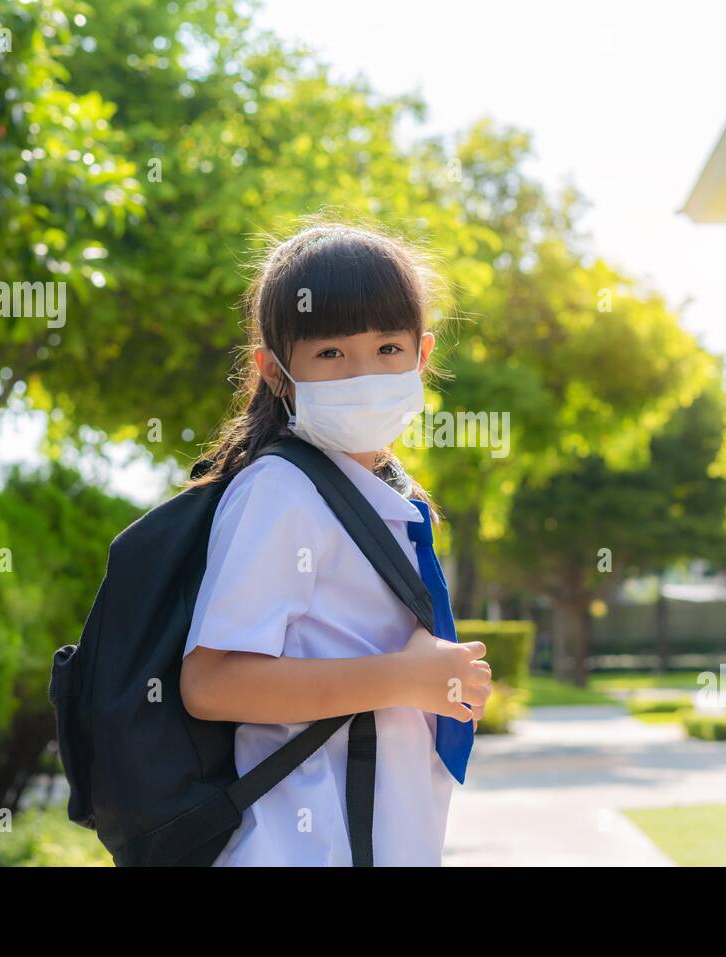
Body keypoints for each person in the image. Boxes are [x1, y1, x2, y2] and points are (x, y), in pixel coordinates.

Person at [179, 221, 491, 866]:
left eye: (387, 348)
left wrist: (438, 681)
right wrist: (403, 678)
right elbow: (211, 684)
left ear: (423, 354)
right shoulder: (280, 490)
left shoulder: (382, 493)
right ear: (275, 370)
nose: (362, 374)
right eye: (329, 354)